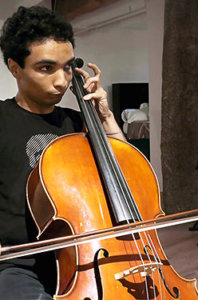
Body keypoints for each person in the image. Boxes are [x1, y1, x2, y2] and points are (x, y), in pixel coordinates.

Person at [0, 5, 126, 300]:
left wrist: (105, 118)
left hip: (88, 255)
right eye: (46, 68)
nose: (62, 80)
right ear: (15, 67)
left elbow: (128, 177)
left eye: (68, 66)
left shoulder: (79, 122)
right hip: (19, 263)